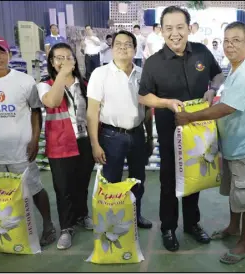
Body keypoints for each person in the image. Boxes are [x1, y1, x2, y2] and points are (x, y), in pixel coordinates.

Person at [176, 21, 245, 264]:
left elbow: (226, 109)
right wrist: (211, 94)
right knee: (235, 193)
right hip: (233, 147)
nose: (230, 45)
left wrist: (189, 117)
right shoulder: (236, 69)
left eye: (236, 40)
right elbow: (225, 99)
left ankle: (244, 243)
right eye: (227, 40)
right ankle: (232, 228)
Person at [138, 6, 225, 252]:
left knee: (194, 178)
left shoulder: (202, 52)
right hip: (170, 132)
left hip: (199, 131)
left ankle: (192, 224)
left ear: (189, 28)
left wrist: (212, 89)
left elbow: (218, 75)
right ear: (161, 31)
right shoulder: (154, 63)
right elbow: (144, 96)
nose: (174, 33)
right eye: (169, 28)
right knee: (169, 180)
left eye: (179, 27)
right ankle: (168, 227)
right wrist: (166, 103)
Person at [0, 35, 56, 249]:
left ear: (9, 54)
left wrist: (34, 140)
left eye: (1, 51)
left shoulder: (24, 81)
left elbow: (36, 112)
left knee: (34, 189)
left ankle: (49, 227)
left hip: (20, 151)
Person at [86, 30, 153, 229]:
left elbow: (147, 109)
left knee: (137, 179)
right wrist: (95, 144)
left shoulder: (142, 75)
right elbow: (92, 112)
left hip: (138, 134)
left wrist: (149, 137)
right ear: (111, 48)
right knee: (111, 181)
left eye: (128, 44)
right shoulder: (100, 74)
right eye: (118, 44)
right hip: (111, 136)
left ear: (135, 49)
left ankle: (135, 215)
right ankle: (111, 221)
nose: (123, 47)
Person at [36, 43, 95, 250]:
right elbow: (52, 101)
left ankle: (82, 215)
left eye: (67, 57)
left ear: (75, 60)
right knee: (63, 188)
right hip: (59, 144)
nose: (63, 61)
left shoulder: (86, 85)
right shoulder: (45, 84)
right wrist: (61, 74)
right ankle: (66, 228)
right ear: (52, 62)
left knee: (81, 184)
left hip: (84, 142)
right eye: (58, 58)